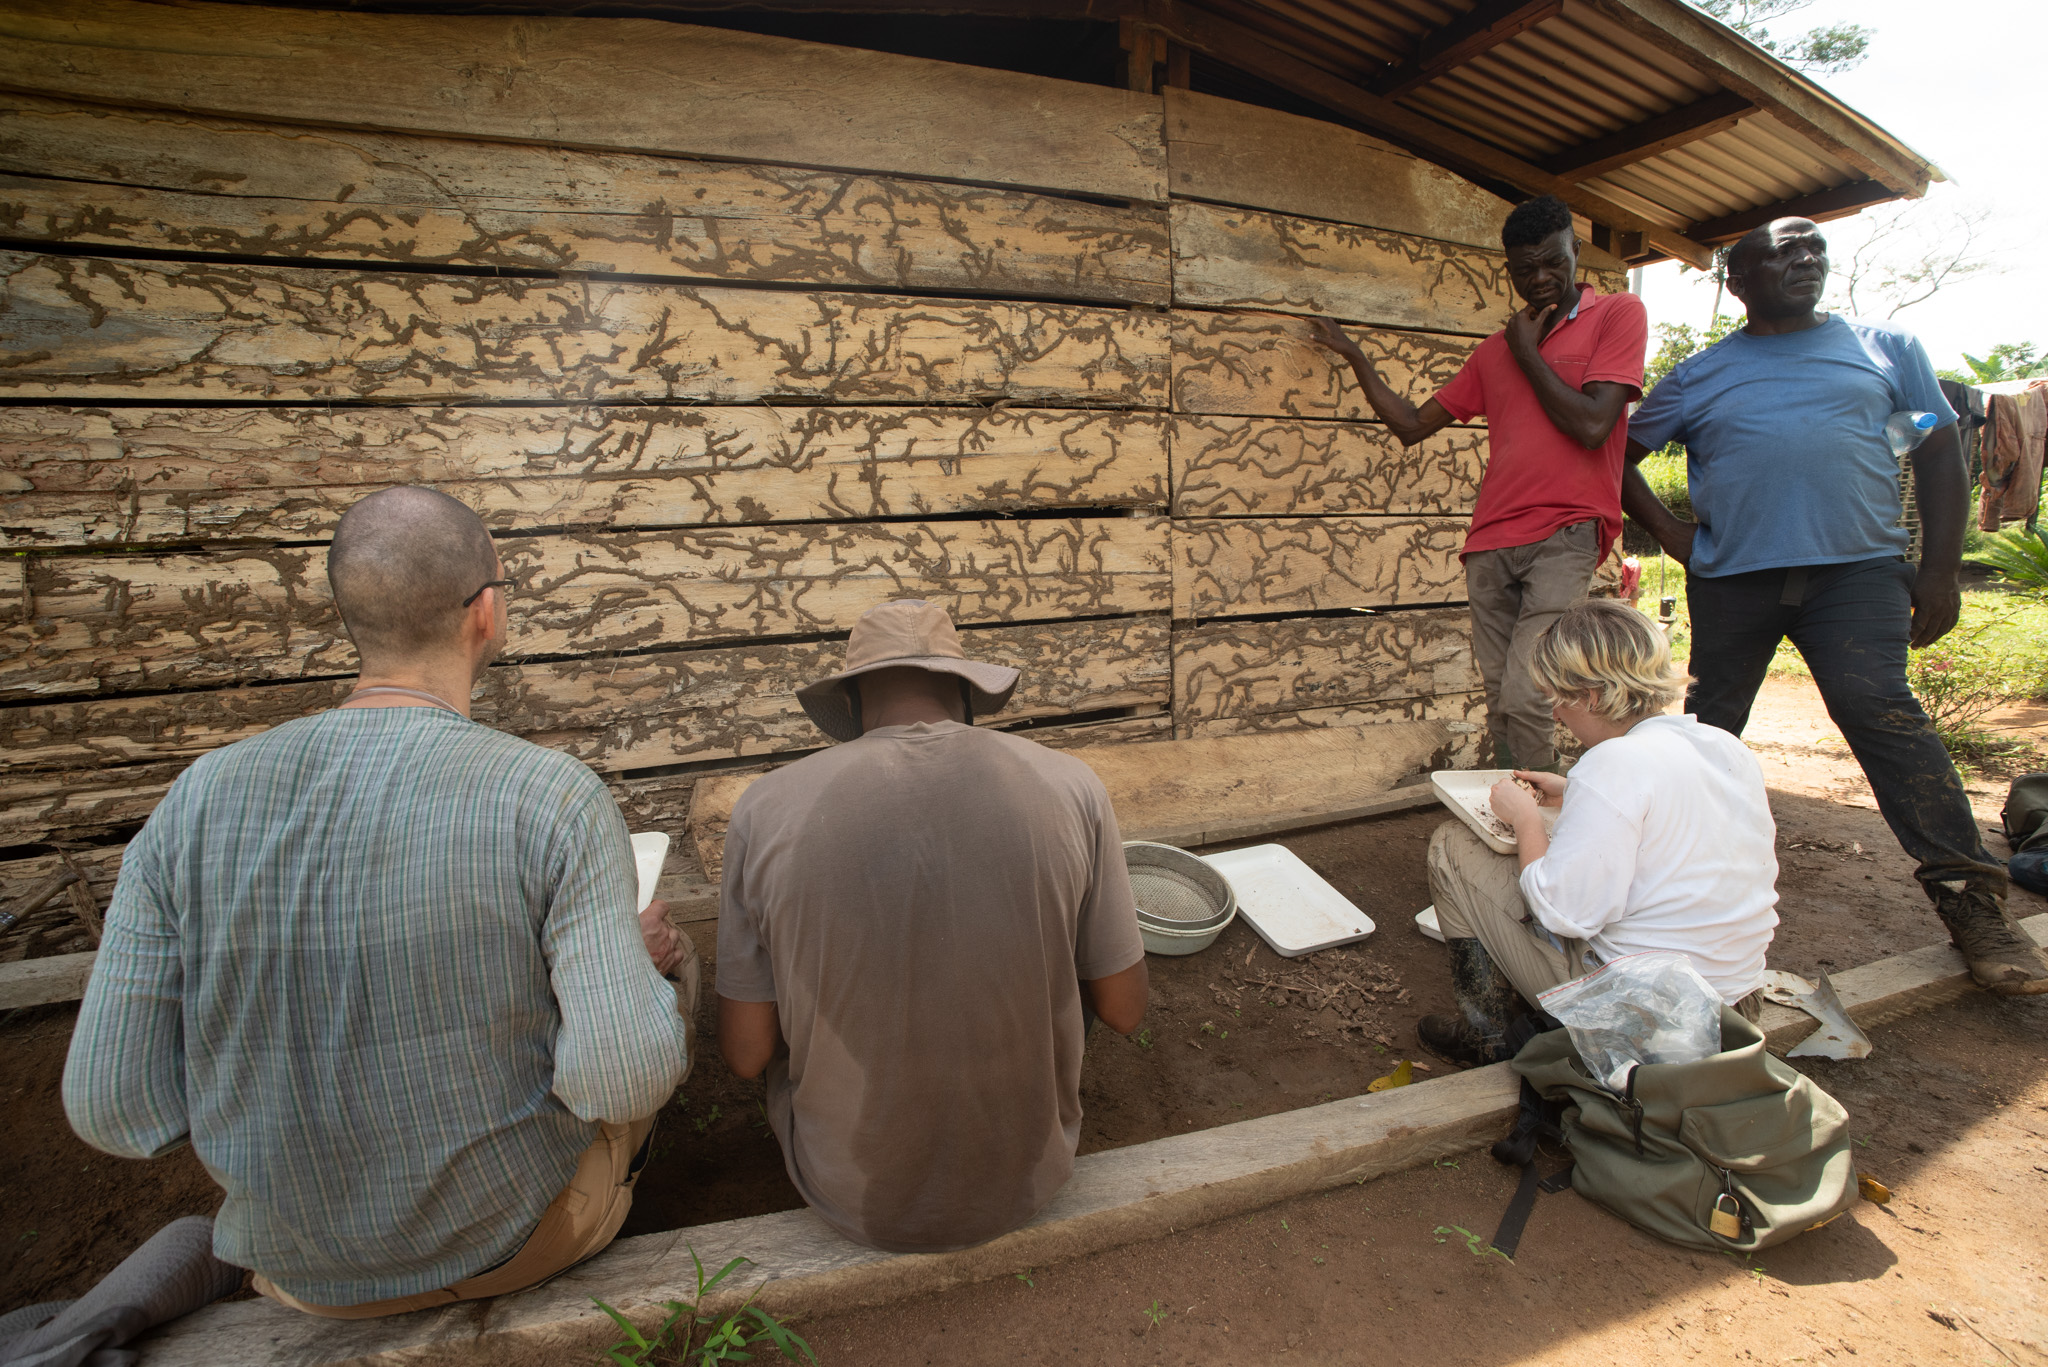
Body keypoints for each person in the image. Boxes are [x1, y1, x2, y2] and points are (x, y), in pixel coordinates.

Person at [62, 487, 697, 1316]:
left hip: (297, 1273)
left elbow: (112, 1106)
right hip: (505, 1244)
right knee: (667, 985)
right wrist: (628, 970)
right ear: (489, 613)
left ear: (350, 613)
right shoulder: (551, 796)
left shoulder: (195, 797)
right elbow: (619, 1078)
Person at [1623, 217, 2048, 996]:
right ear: (1738, 280)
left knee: (1882, 711)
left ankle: (1972, 902)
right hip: (1735, 577)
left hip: (1856, 574)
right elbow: (1617, 453)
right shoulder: (1700, 374)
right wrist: (1668, 531)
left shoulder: (1888, 350)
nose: (1807, 259)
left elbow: (1935, 452)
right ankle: (1652, 886)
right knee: (1709, 730)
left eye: (1814, 248)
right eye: (1783, 252)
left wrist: (1941, 571)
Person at [716, 599, 1147, 1253]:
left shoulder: (765, 810)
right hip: (1031, 1175)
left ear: (855, 704)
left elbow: (746, 1054)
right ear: (966, 691)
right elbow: (1123, 1008)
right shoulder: (1072, 786)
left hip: (854, 1197)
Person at [1312, 193, 1649, 772]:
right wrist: (1353, 355)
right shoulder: (1493, 353)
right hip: (1490, 544)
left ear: (1574, 249)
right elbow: (1412, 424)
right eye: (1524, 270)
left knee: (1529, 692)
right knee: (1501, 700)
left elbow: (1594, 426)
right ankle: (1514, 814)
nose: (1540, 279)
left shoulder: (1617, 315)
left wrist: (1527, 353)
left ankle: (1544, 826)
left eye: (1552, 262)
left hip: (1565, 533)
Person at [1419, 599, 1780, 1066]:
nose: (1555, 715)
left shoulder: (1610, 763)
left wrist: (1525, 820)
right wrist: (1575, 793)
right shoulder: (1721, 744)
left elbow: (1563, 914)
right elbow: (1667, 816)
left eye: (1556, 699)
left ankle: (1485, 1035)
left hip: (1646, 1020)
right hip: (1735, 1000)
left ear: (1590, 696)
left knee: (1453, 846)